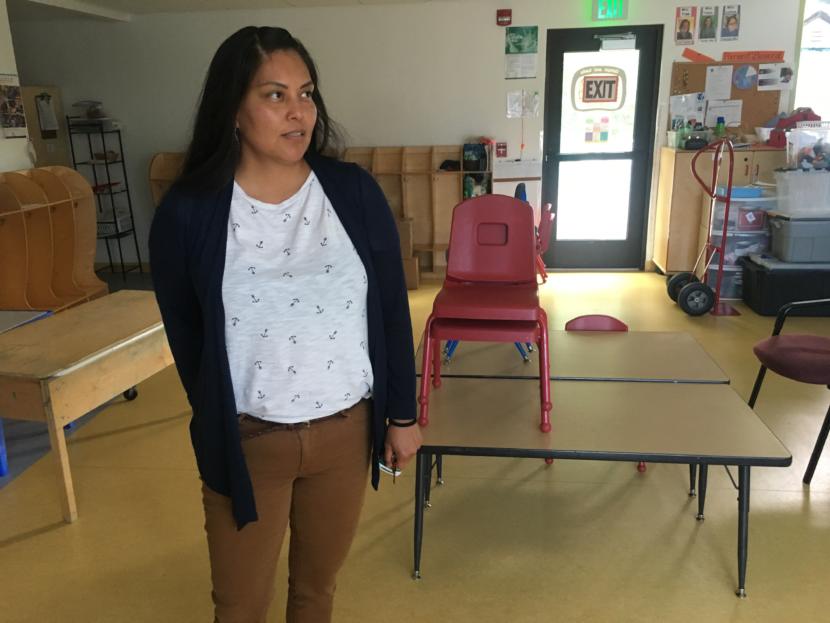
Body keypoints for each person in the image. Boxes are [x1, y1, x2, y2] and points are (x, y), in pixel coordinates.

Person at [149, 26, 422, 623]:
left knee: (316, 592)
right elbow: (187, 336)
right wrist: (225, 419)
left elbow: (391, 313)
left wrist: (403, 414)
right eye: (275, 95)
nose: (298, 112)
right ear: (233, 111)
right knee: (240, 604)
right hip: (248, 442)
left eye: (307, 93)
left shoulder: (351, 193)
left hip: (345, 435)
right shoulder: (189, 215)